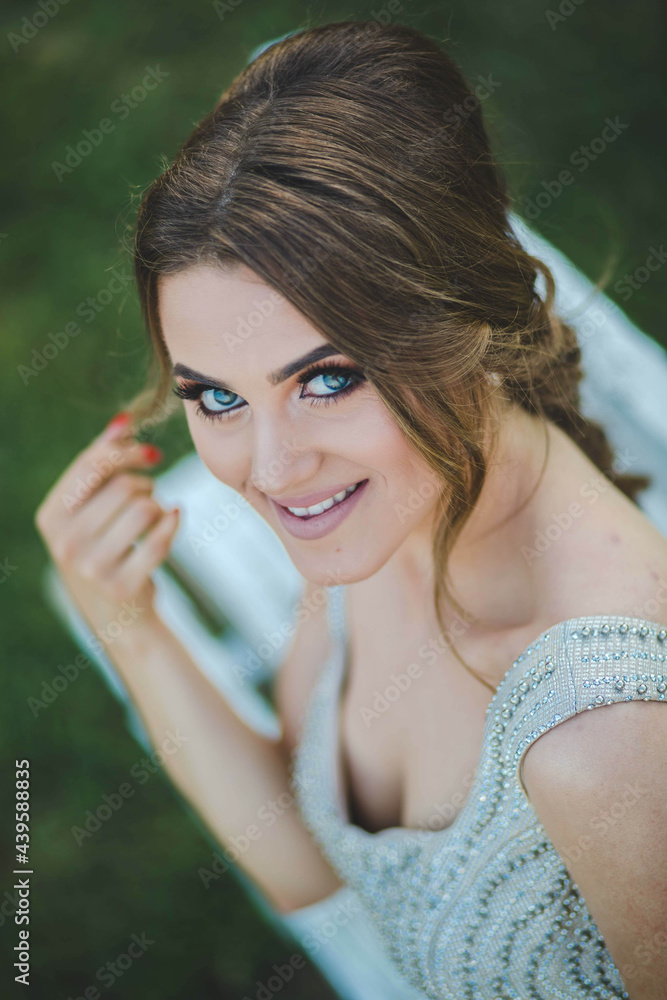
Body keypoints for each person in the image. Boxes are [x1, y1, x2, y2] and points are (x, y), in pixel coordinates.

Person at [35, 20, 667, 999]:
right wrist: (131, 627)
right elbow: (318, 867)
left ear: (468, 320)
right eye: (216, 396)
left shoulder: (607, 736)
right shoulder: (376, 523)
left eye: (327, 378)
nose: (274, 469)